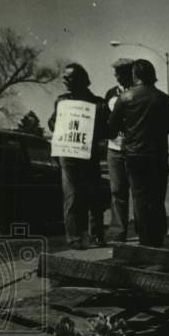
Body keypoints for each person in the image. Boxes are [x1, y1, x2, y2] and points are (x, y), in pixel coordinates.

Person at [107, 59, 169, 247]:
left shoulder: (125, 98)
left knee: (140, 198)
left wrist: (128, 127)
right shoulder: (164, 98)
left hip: (134, 155)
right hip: (157, 155)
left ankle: (145, 240)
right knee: (157, 198)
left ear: (134, 75)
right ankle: (158, 238)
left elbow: (111, 129)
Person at [48, 63, 107, 248]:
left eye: (69, 77)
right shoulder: (61, 101)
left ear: (82, 80)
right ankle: (74, 238)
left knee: (94, 197)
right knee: (72, 196)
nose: (65, 80)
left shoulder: (98, 103)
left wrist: (93, 129)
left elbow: (109, 128)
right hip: (68, 155)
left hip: (89, 154)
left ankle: (96, 236)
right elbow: (52, 123)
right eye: (64, 77)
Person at [103, 57, 135, 241]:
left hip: (135, 149)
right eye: (115, 72)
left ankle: (143, 229)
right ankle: (118, 231)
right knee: (117, 191)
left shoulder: (138, 92)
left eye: (120, 72)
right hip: (114, 149)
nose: (116, 76)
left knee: (138, 191)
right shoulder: (110, 94)